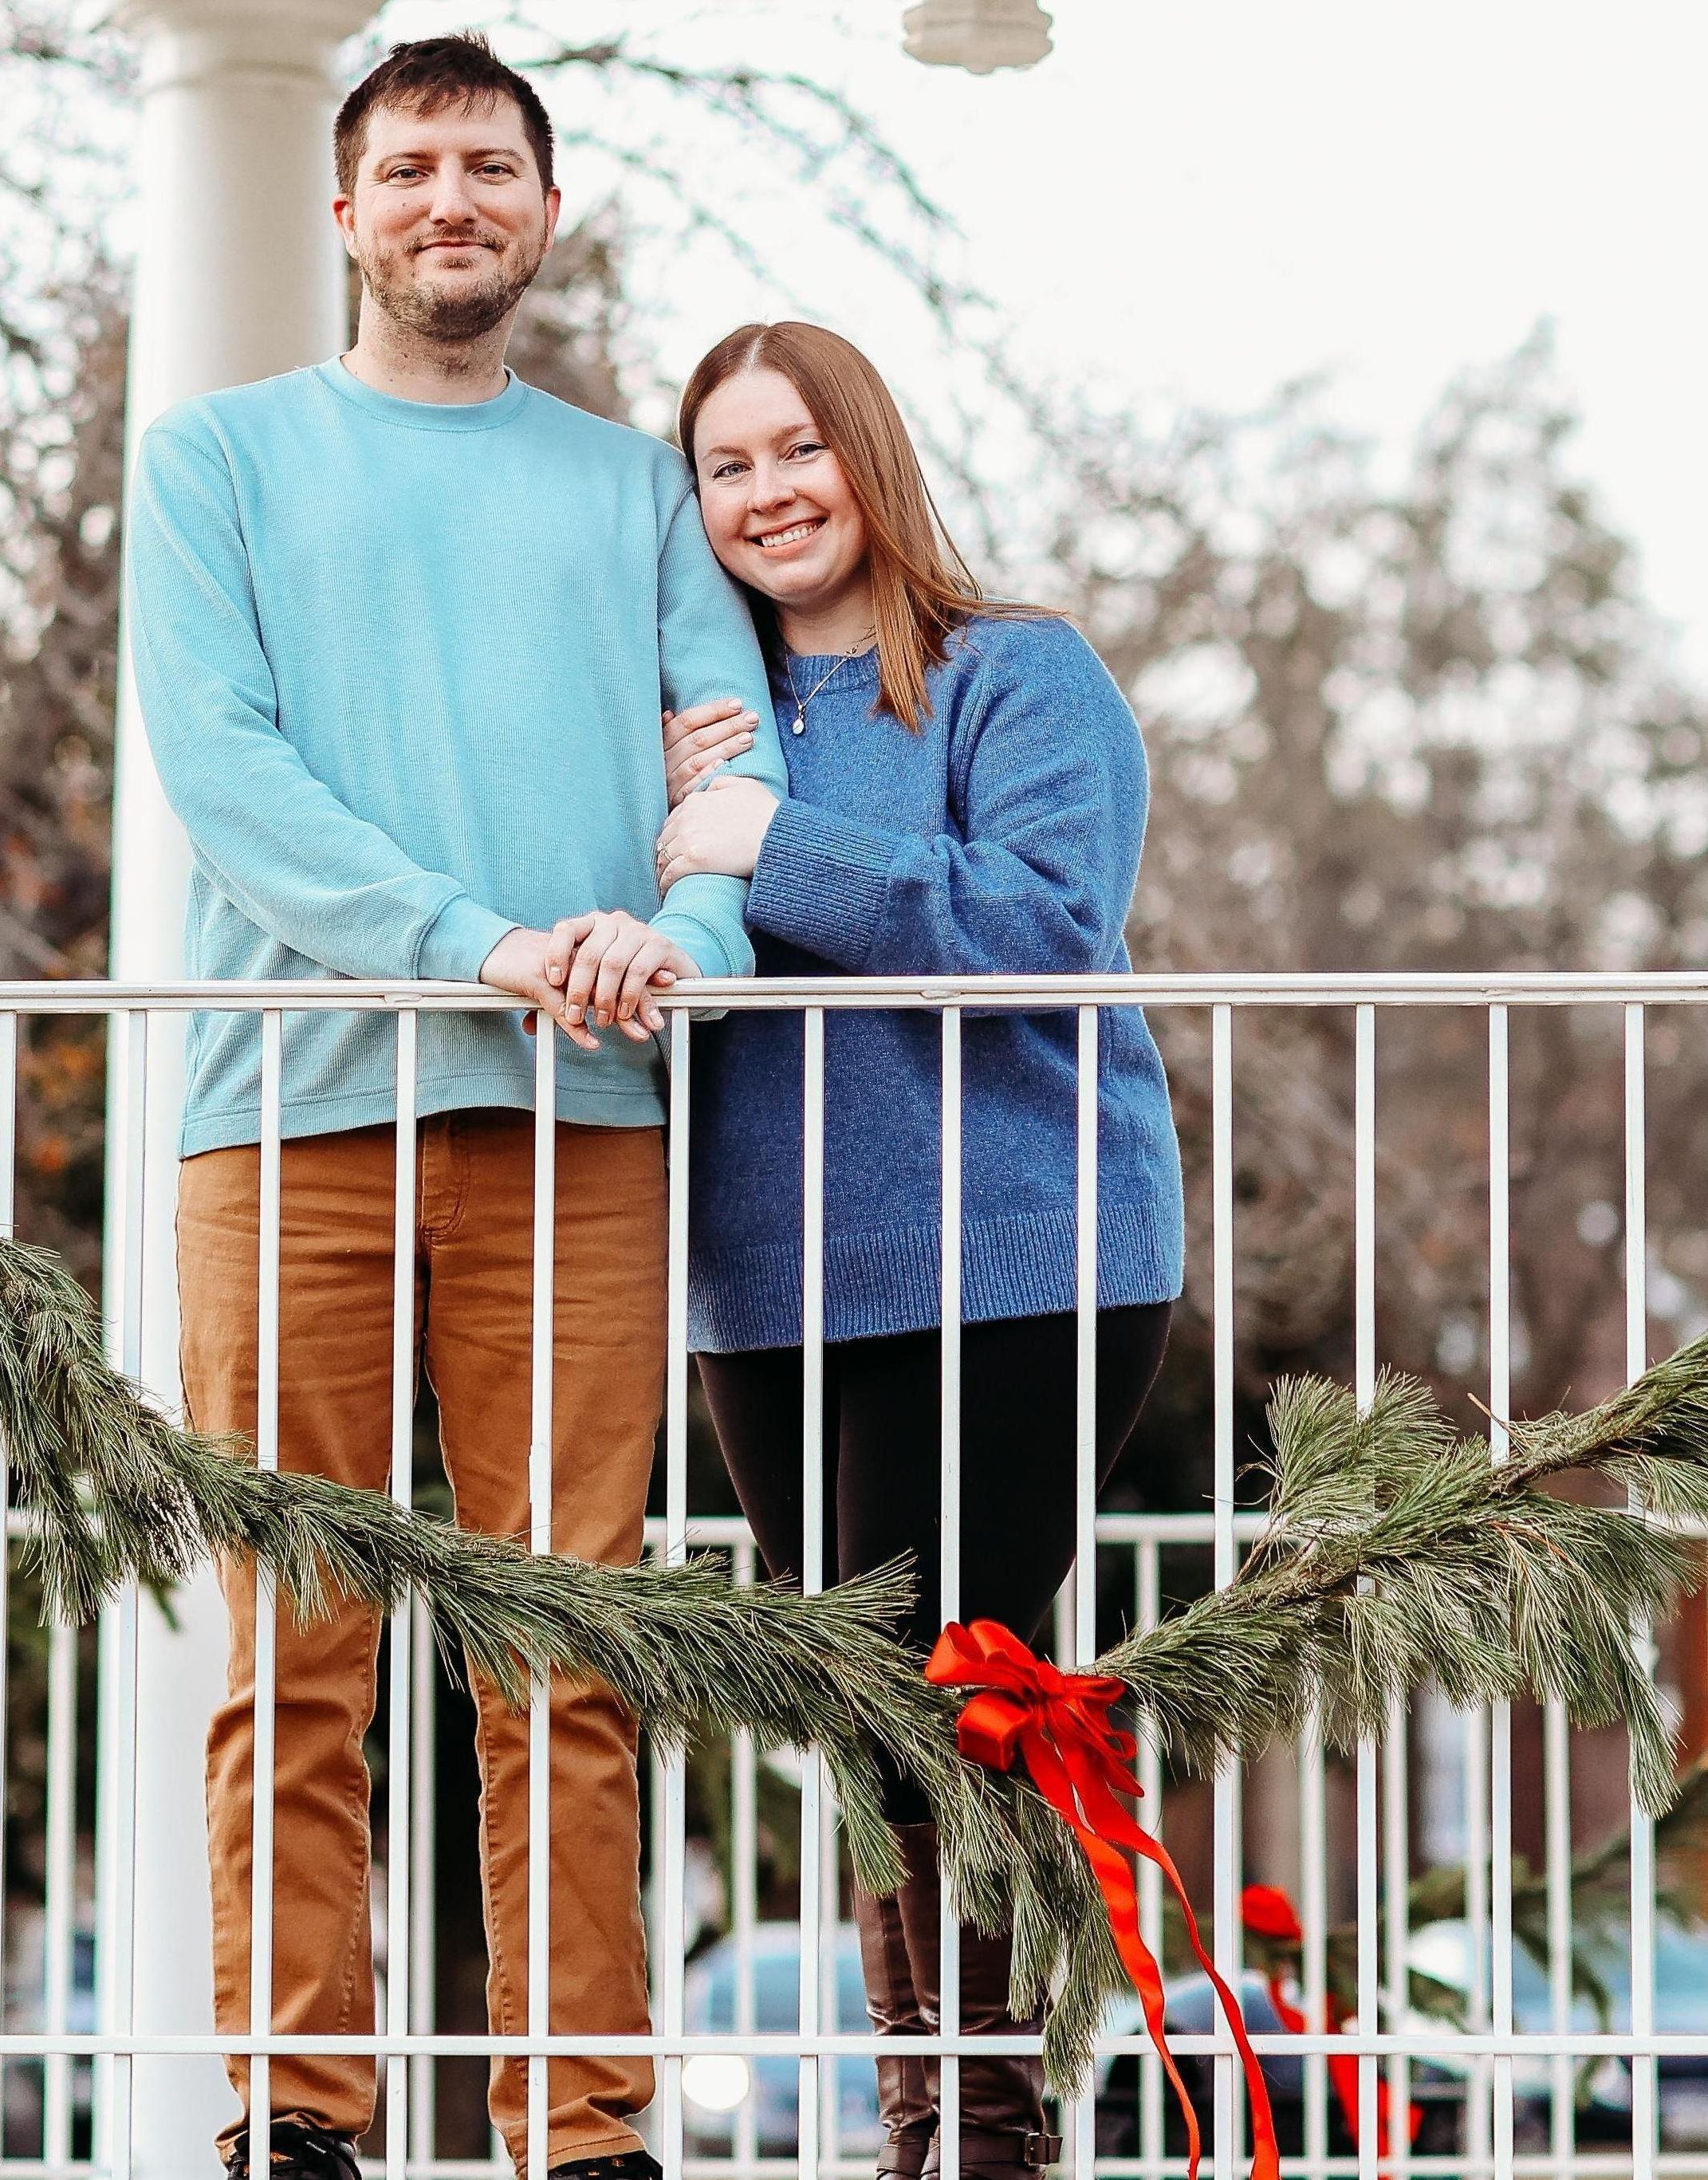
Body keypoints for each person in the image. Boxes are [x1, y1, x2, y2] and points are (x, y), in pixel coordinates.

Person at [124, 38, 785, 2180]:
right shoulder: (214, 458)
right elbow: (228, 779)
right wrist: (480, 933)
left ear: (543, 208)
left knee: (567, 1647)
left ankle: (579, 2128)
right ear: (341, 213)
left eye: (487, 166)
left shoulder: (632, 492)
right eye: (406, 166)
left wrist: (678, 932)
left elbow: (726, 778)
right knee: (292, 1641)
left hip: (578, 1118)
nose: (448, 200)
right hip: (283, 1113)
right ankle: (294, 2119)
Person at [653, 323, 1185, 2180]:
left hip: (1019, 1249)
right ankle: (936, 2125)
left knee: (960, 1686)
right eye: (727, 463)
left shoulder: (1009, 674)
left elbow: (1046, 926)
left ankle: (979, 2138)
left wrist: (766, 842)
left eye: (800, 447)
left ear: (867, 456)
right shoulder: (690, 715)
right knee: (864, 1713)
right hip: (767, 1272)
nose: (770, 490)